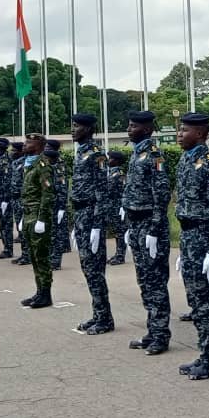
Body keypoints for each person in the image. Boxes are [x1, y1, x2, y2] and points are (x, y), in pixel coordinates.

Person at [174, 112, 209, 380]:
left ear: (200, 133)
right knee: (196, 300)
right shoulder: (186, 159)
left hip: (204, 236)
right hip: (188, 237)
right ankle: (205, 353)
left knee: (208, 302)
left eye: (184, 130)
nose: (179, 134)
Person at [122, 111, 173, 355]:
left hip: (150, 226)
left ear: (147, 129)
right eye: (129, 125)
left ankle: (161, 335)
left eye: (134, 126)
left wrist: (154, 228)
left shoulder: (153, 155)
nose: (129, 129)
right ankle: (152, 331)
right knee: (144, 280)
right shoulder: (137, 154)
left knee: (155, 282)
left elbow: (161, 193)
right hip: (136, 224)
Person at [70, 113, 114, 335]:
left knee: (95, 268)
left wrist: (97, 224)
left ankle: (105, 319)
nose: (72, 130)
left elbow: (102, 191)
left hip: (91, 215)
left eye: (76, 126)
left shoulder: (96, 154)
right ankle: (98, 314)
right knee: (88, 268)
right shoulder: (80, 153)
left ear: (88, 129)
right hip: (81, 215)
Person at [20, 133, 56, 308]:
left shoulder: (43, 165)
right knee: (34, 256)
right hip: (28, 215)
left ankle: (46, 294)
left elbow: (47, 194)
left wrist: (42, 219)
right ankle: (39, 291)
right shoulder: (29, 164)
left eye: (29, 142)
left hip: (37, 216)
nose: (25, 144)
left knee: (41, 256)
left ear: (39, 145)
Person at [47, 139, 71, 271]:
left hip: (57, 204)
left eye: (49, 147)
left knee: (57, 234)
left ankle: (56, 261)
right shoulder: (48, 164)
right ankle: (52, 258)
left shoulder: (59, 165)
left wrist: (62, 207)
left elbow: (62, 188)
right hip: (50, 204)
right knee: (52, 233)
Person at [105, 151, 127, 265]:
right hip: (112, 207)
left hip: (118, 207)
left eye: (111, 159)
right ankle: (117, 254)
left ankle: (120, 256)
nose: (109, 161)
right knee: (117, 232)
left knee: (120, 232)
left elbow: (124, 191)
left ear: (117, 161)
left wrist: (123, 206)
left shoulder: (120, 174)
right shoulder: (112, 173)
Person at [10, 141, 30, 266]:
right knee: (19, 226)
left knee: (25, 228)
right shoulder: (15, 163)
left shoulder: (27, 163)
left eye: (14, 150)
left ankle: (27, 255)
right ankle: (24, 254)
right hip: (15, 198)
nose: (12, 153)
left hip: (24, 199)